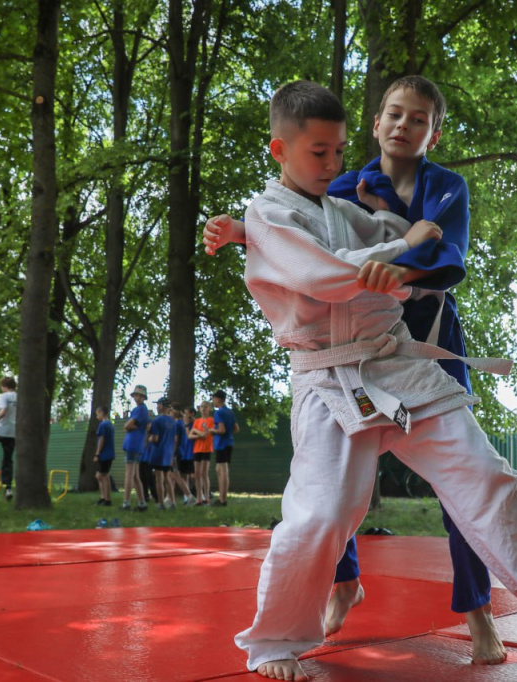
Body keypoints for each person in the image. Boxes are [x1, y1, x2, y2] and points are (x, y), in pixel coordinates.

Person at [230, 80, 517, 680]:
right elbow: (326, 275)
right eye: (319, 153)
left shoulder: (344, 208)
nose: (334, 164)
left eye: (339, 151)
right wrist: (400, 247)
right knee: (321, 516)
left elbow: (407, 249)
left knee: (492, 481)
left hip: (400, 366)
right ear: (279, 150)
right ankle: (274, 643)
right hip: (330, 381)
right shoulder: (267, 214)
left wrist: (402, 250)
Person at [205, 75, 501, 660]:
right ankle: (344, 585)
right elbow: (298, 241)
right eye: (394, 113)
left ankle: (478, 611)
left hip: (425, 330)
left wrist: (398, 269)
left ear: (432, 133)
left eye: (418, 118)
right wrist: (243, 232)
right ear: (376, 122)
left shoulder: (446, 188)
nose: (402, 125)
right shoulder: (341, 181)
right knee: (330, 480)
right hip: (353, 348)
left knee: (464, 481)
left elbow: (447, 252)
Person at [145, 396, 177, 510]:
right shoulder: (172, 421)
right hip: (168, 453)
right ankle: (172, 502)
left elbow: (156, 438)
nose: (157, 406)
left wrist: (149, 436)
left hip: (158, 452)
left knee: (159, 478)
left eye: (158, 404)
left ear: (162, 406)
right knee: (168, 478)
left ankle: (161, 503)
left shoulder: (157, 420)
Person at [121, 385, 149, 511]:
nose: (137, 397)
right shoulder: (144, 410)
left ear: (143, 397)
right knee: (136, 476)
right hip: (137, 444)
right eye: (136, 395)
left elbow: (127, 426)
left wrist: (129, 426)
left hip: (133, 443)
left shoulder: (139, 410)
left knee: (129, 474)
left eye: (140, 395)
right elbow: (146, 425)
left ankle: (126, 503)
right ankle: (142, 502)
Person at [0, 376, 18, 500]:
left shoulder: (4, 396)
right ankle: (8, 488)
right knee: (8, 460)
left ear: (3, 386)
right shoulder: (19, 397)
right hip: (13, 432)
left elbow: (3, 412)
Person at [209, 390, 238, 507]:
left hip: (221, 444)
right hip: (229, 442)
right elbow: (236, 428)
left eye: (214, 399)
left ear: (218, 399)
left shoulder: (218, 413)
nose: (213, 401)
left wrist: (211, 431)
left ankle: (222, 499)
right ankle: (222, 498)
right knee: (219, 469)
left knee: (222, 471)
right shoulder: (230, 412)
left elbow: (221, 430)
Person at [169, 403, 195, 505]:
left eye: (172, 410)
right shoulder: (180, 423)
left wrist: (171, 454)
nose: (170, 412)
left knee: (175, 475)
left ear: (176, 412)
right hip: (181, 452)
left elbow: (175, 440)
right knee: (171, 476)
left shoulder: (177, 424)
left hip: (176, 453)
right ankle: (170, 499)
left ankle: (189, 496)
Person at [191, 400, 214, 505]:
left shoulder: (211, 420)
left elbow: (205, 435)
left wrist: (197, 432)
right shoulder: (197, 421)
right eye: (201, 407)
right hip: (197, 449)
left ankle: (207, 498)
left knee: (204, 473)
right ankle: (199, 498)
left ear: (209, 409)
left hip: (206, 449)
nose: (203, 409)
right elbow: (190, 435)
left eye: (205, 407)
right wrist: (199, 433)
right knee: (197, 474)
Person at [93, 406, 116, 506]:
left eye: (97, 414)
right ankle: (105, 498)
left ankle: (106, 499)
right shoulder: (110, 424)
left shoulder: (103, 425)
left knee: (100, 476)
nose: (97, 416)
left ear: (102, 413)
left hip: (104, 454)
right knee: (104, 476)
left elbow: (101, 440)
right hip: (110, 454)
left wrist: (97, 453)